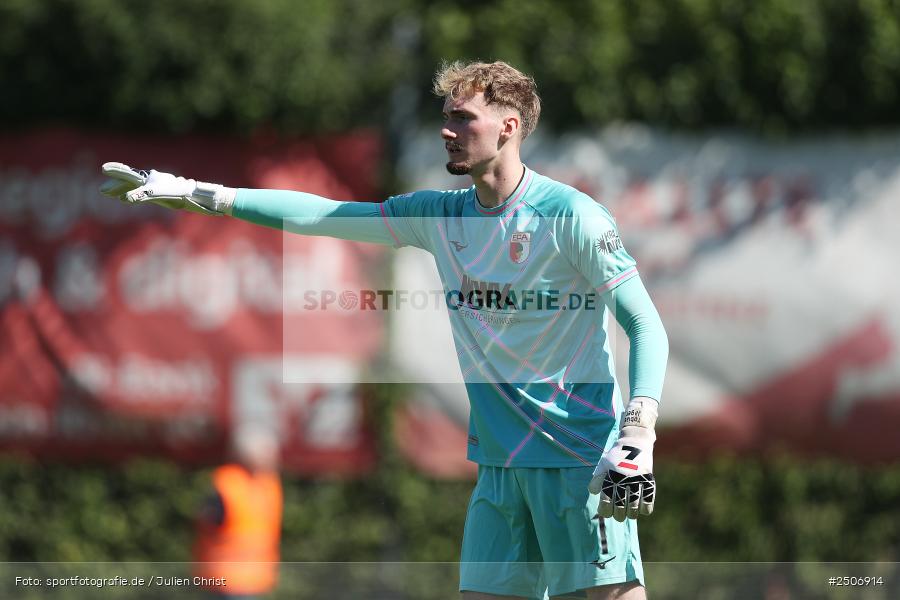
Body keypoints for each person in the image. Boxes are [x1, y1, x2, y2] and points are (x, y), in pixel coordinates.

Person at [101, 60, 668, 600]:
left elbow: (644, 324)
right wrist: (205, 194)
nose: (447, 130)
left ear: (509, 126)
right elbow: (322, 214)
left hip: (577, 456)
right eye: (444, 117)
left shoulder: (573, 216)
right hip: (498, 469)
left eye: (463, 118)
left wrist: (637, 435)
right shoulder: (441, 217)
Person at [193, 426, 283, 599]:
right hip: (227, 577)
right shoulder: (228, 483)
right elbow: (208, 519)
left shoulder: (269, 482)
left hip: (257, 575)